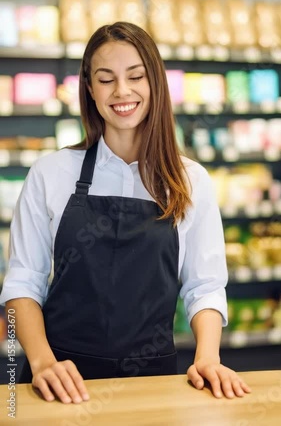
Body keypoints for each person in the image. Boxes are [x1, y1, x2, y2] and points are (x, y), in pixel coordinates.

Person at [0, 21, 251, 404]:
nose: (122, 91)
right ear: (88, 87)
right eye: (106, 79)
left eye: (136, 76)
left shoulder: (190, 181)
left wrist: (208, 357)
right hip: (61, 384)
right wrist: (40, 360)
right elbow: (22, 284)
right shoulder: (50, 174)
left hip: (154, 385)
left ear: (155, 82)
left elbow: (205, 287)